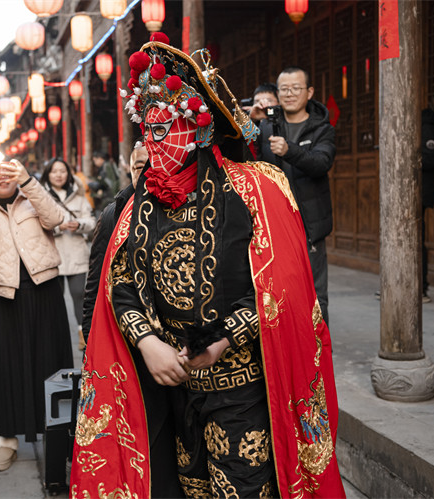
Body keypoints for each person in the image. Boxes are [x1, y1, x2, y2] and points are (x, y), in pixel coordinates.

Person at [70, 36, 344, 498]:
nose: (151, 145)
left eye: (162, 131)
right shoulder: (141, 202)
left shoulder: (255, 188)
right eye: (146, 132)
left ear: (195, 129)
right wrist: (148, 341)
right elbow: (121, 283)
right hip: (173, 389)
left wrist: (220, 340)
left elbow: (280, 288)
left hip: (241, 388)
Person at [0, 160, 73, 472]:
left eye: (7, 172)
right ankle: (6, 438)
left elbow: (56, 217)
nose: (2, 178)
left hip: (45, 288)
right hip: (5, 293)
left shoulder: (32, 195)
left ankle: (61, 436)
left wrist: (29, 182)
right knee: (6, 366)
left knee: (51, 363)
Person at [258, 66, 336, 324]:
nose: (289, 94)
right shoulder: (267, 128)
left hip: (310, 225)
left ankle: (319, 358)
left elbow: (321, 163)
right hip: (275, 226)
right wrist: (248, 122)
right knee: (279, 294)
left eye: (296, 88)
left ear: (309, 92)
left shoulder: (321, 129)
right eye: (284, 89)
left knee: (315, 295)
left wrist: (289, 150)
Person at [81, 140, 148, 345]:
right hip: (125, 328)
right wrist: (90, 334)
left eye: (153, 164)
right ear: (129, 171)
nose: (145, 172)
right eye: (138, 167)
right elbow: (96, 280)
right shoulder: (114, 213)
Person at [40, 158, 96, 351]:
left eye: (62, 171)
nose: (58, 175)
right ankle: (56, 335)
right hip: (53, 255)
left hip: (76, 255)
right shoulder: (42, 196)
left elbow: (92, 221)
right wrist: (56, 227)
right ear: (48, 174)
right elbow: (37, 223)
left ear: (68, 174)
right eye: (54, 171)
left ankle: (83, 335)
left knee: (80, 295)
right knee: (54, 300)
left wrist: (79, 225)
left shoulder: (79, 196)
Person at [421, 107, 434, 303]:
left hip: (419, 192)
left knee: (416, 241)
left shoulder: (427, 127)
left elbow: (429, 158)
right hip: (410, 193)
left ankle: (421, 286)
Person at [89, 151, 120, 216]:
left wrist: (91, 183)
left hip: (108, 197)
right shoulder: (109, 164)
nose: (95, 163)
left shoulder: (106, 166)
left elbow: (106, 182)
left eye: (95, 160)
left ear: (100, 159)